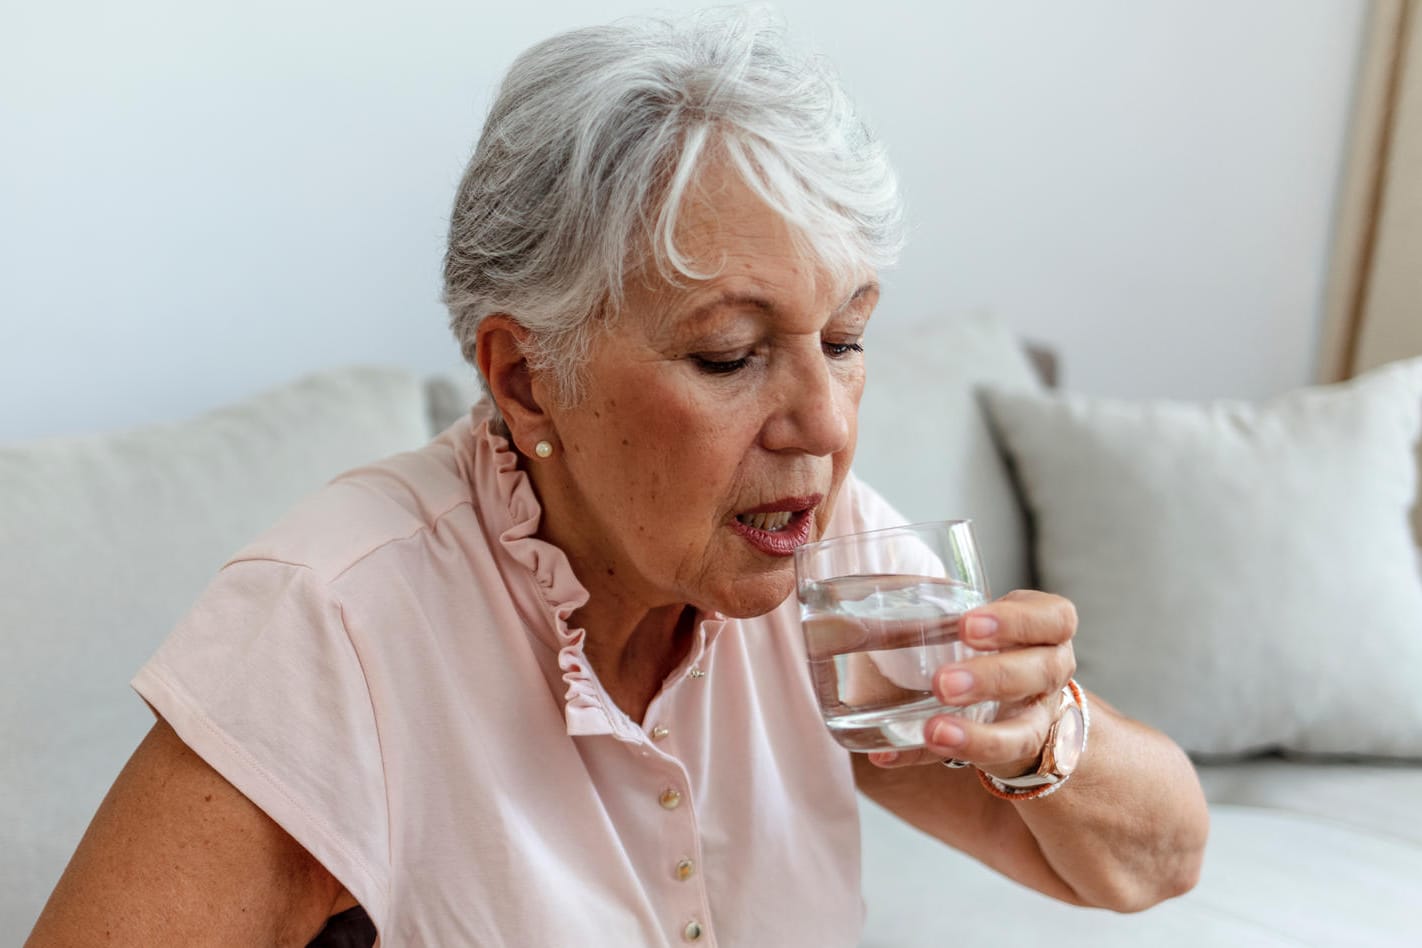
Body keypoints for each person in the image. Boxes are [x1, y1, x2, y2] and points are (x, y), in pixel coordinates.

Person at [27, 9, 1208, 946]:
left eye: (844, 341)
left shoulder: (820, 549)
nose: (821, 423)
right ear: (528, 378)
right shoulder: (338, 625)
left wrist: (1042, 730)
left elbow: (1157, 862)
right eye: (730, 355)